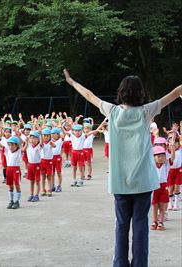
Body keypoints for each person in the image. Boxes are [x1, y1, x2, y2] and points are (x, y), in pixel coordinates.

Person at [64, 68, 181, 267]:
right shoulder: (147, 111)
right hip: (143, 182)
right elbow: (175, 92)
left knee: (121, 225)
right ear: (141, 93)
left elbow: (89, 95)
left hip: (119, 183)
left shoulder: (112, 111)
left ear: (121, 92)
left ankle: (119, 263)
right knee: (141, 226)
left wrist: (72, 82)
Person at [151, 143, 174, 230]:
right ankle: (154, 221)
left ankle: (161, 222)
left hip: (164, 187)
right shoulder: (152, 165)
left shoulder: (166, 164)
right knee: (154, 205)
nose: (161, 158)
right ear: (153, 157)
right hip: (154, 187)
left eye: (162, 156)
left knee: (162, 205)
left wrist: (171, 147)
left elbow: (172, 157)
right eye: (158, 156)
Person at [23, 130, 42, 202]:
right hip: (30, 165)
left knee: (37, 181)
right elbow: (23, 149)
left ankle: (36, 195)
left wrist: (41, 135)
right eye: (31, 138)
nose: (33, 140)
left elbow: (41, 143)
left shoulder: (39, 146)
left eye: (35, 138)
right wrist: (27, 142)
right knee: (31, 181)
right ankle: (31, 194)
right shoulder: (28, 145)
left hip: (37, 165)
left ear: (38, 139)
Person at [5, 135, 23, 209]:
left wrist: (17, 134)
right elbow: (0, 144)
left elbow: (21, 142)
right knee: (10, 185)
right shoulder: (7, 151)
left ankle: (17, 201)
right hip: (9, 169)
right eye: (9, 145)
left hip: (16, 170)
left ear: (16, 145)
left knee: (17, 185)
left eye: (12, 145)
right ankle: (11, 200)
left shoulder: (19, 151)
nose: (11, 146)